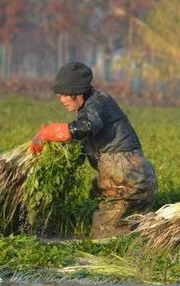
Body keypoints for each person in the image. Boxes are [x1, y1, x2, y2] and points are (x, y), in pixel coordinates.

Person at [29, 61, 157, 239]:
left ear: (78, 92)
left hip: (126, 181)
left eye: (66, 95)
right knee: (128, 232)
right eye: (60, 95)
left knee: (105, 235)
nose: (62, 100)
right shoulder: (95, 102)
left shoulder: (96, 104)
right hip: (134, 179)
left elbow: (87, 126)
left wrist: (52, 132)